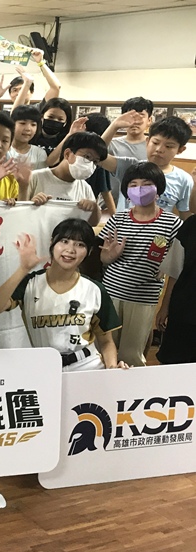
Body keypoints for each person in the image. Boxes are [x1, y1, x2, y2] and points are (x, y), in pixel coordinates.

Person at [0, 219, 125, 370]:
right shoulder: (30, 283)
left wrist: (112, 369)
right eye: (64, 241)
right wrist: (23, 269)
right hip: (45, 366)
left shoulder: (94, 289)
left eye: (80, 245)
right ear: (52, 243)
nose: (70, 250)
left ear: (89, 251)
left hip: (87, 365)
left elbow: (106, 342)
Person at [99, 161, 181, 367]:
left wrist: (165, 307)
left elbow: (175, 271)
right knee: (103, 351)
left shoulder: (173, 224)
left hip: (143, 299)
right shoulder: (118, 219)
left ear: (158, 189)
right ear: (127, 191)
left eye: (146, 184)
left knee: (132, 355)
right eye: (133, 185)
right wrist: (109, 256)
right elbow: (103, 259)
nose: (139, 189)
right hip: (110, 294)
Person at [99, 116, 194, 219]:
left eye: (168, 146)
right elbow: (98, 156)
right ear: (147, 141)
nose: (159, 149)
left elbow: (186, 217)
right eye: (155, 143)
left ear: (180, 150)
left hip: (160, 229)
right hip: (124, 228)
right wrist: (114, 126)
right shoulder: (130, 166)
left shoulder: (184, 180)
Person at [27, 132, 103, 225]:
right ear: (67, 154)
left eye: (95, 161)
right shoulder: (35, 178)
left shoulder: (85, 187)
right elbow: (19, 213)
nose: (90, 164)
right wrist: (31, 204)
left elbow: (94, 223)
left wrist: (94, 208)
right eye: (87, 157)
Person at [156, 214, 196, 364]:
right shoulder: (191, 225)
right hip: (184, 310)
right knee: (175, 362)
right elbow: (175, 271)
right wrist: (164, 307)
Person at [101, 97, 153, 206]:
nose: (135, 121)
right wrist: (114, 125)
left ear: (149, 120)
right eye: (131, 116)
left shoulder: (153, 147)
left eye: (141, 116)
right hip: (108, 205)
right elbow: (95, 152)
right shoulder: (112, 143)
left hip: (141, 205)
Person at [7, 105, 47, 169]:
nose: (28, 129)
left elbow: (41, 175)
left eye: (33, 125)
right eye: (23, 123)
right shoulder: (4, 150)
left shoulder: (39, 153)